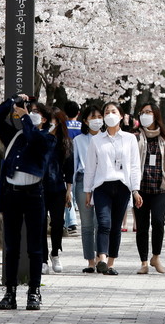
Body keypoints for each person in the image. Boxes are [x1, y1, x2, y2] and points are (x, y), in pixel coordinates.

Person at [0, 94, 55, 311]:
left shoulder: (47, 137)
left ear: (44, 119)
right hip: (12, 194)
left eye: (37, 112)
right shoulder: (14, 135)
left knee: (35, 248)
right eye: (30, 110)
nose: (31, 114)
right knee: (12, 246)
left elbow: (34, 140)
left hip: (34, 195)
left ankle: (34, 291)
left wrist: (26, 117)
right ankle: (10, 292)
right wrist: (13, 101)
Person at [84, 102, 142, 275]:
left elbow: (134, 166)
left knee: (116, 226)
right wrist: (88, 191)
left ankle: (110, 263)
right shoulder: (96, 140)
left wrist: (135, 189)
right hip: (102, 186)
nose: (110, 114)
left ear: (121, 115)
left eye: (113, 111)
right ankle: (101, 258)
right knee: (104, 223)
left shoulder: (130, 138)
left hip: (123, 186)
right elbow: (90, 167)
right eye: (107, 112)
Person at [134, 102, 165, 274]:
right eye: (142, 112)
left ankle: (156, 257)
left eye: (148, 112)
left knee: (159, 222)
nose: (145, 115)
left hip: (160, 187)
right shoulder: (136, 137)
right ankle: (144, 262)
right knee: (142, 225)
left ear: (155, 115)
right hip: (140, 186)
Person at [41, 107, 74, 274]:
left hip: (58, 188)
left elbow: (69, 169)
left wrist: (69, 190)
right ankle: (43, 259)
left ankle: (55, 253)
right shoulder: (41, 139)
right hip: (40, 186)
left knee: (57, 223)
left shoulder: (66, 142)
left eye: (54, 121)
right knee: (40, 222)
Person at [72, 105, 102, 273]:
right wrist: (70, 188)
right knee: (87, 224)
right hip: (83, 180)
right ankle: (90, 260)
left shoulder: (106, 138)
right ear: (85, 121)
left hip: (102, 180)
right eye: (93, 117)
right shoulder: (78, 140)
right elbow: (74, 165)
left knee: (101, 222)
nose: (97, 120)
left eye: (99, 116)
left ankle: (101, 257)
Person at [63, 101, 82, 234]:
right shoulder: (82, 127)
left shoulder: (62, 127)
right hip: (80, 164)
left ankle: (70, 221)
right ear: (78, 113)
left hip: (66, 163)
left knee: (67, 192)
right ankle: (72, 221)